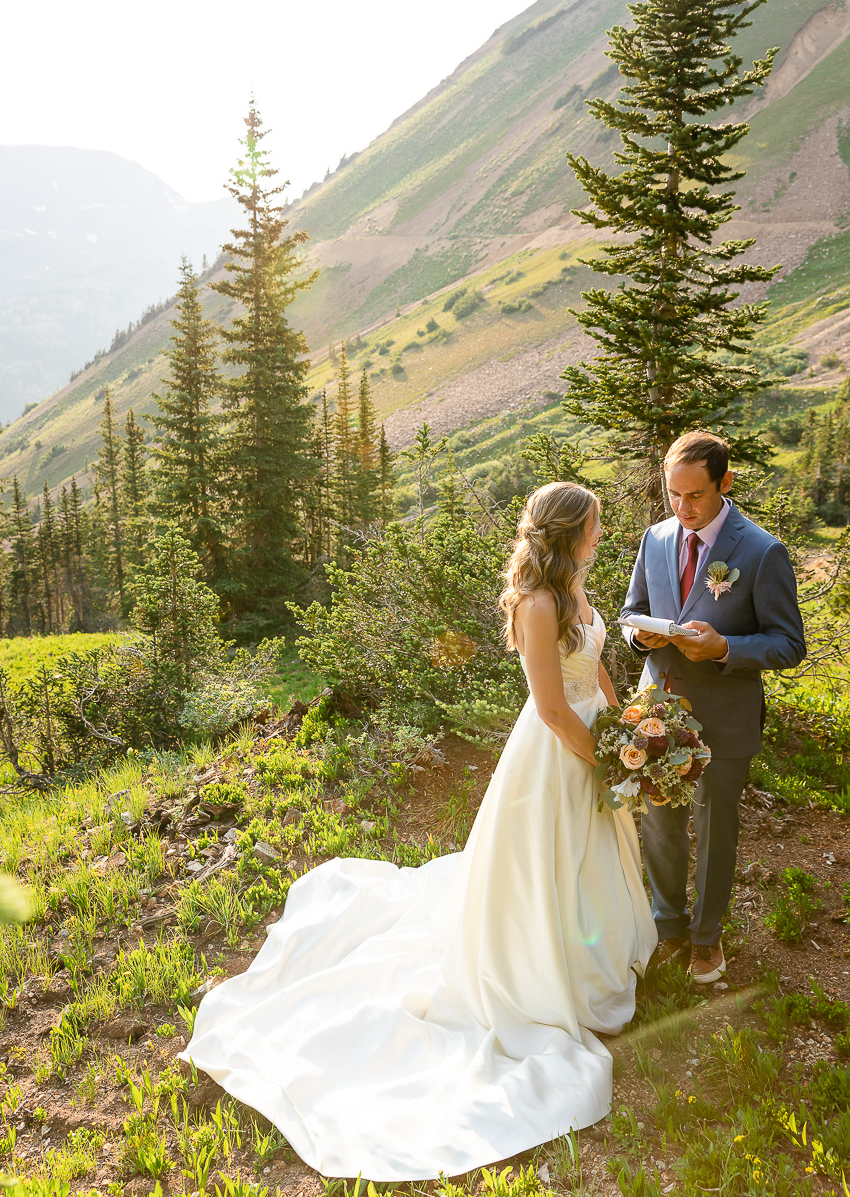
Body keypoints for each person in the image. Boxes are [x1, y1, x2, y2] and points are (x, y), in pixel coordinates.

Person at [181, 482, 656, 1180]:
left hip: (596, 743)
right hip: (556, 757)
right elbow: (553, 710)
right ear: (564, 532)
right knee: (543, 866)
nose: (600, 535)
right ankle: (539, 974)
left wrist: (627, 729)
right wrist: (605, 759)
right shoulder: (536, 602)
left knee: (591, 861)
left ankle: (592, 964)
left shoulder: (579, 587)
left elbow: (598, 676)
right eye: (593, 525)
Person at [621, 431, 806, 985]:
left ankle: (707, 938)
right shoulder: (655, 539)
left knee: (715, 828)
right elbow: (634, 611)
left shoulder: (762, 551)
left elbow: (789, 644)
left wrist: (725, 647)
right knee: (660, 826)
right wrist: (640, 640)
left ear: (724, 484)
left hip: (725, 716)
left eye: (694, 496)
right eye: (672, 495)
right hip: (661, 709)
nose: (682, 508)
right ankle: (668, 927)